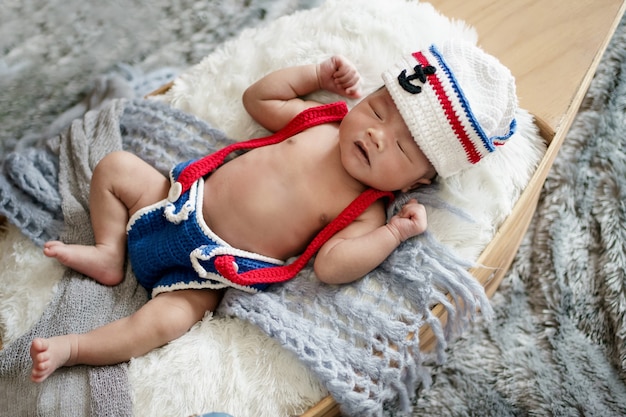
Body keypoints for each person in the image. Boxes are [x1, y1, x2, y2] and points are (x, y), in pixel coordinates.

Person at [30, 40, 517, 383]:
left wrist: (393, 234)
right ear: (364, 97)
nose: (376, 134)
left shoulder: (365, 208)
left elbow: (331, 265)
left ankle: (77, 348)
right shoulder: (321, 122)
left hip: (206, 272)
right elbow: (258, 98)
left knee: (160, 323)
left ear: (417, 182)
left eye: (403, 148)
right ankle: (109, 251)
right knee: (115, 167)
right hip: (172, 202)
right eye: (377, 111)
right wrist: (317, 77)